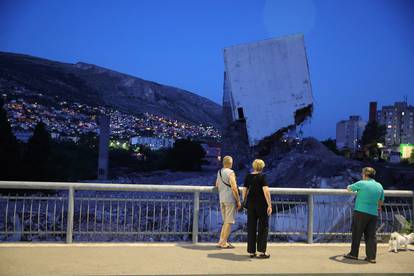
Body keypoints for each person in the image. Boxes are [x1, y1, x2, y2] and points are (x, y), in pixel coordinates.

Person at [344, 167, 384, 263]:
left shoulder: (361, 183)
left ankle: (353, 254)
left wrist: (358, 191)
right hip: (373, 213)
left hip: (360, 212)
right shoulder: (379, 186)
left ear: (365, 174)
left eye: (362, 173)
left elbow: (349, 188)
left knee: (357, 233)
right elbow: (381, 202)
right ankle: (371, 257)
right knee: (371, 235)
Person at [242, 159, 272, 258]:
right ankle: (262, 251)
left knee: (251, 227)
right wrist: (269, 205)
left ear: (254, 166)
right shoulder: (263, 176)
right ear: (262, 167)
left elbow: (244, 190)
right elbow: (266, 191)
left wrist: (244, 201)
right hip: (261, 204)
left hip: (250, 204)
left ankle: (251, 251)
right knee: (263, 227)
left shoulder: (248, 176)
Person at [216, 155, 241, 248]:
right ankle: (223, 243)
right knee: (229, 221)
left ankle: (221, 241)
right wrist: (238, 200)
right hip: (230, 199)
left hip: (222, 198)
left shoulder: (219, 172)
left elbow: (217, 184)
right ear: (230, 163)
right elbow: (234, 188)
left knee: (225, 221)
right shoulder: (231, 172)